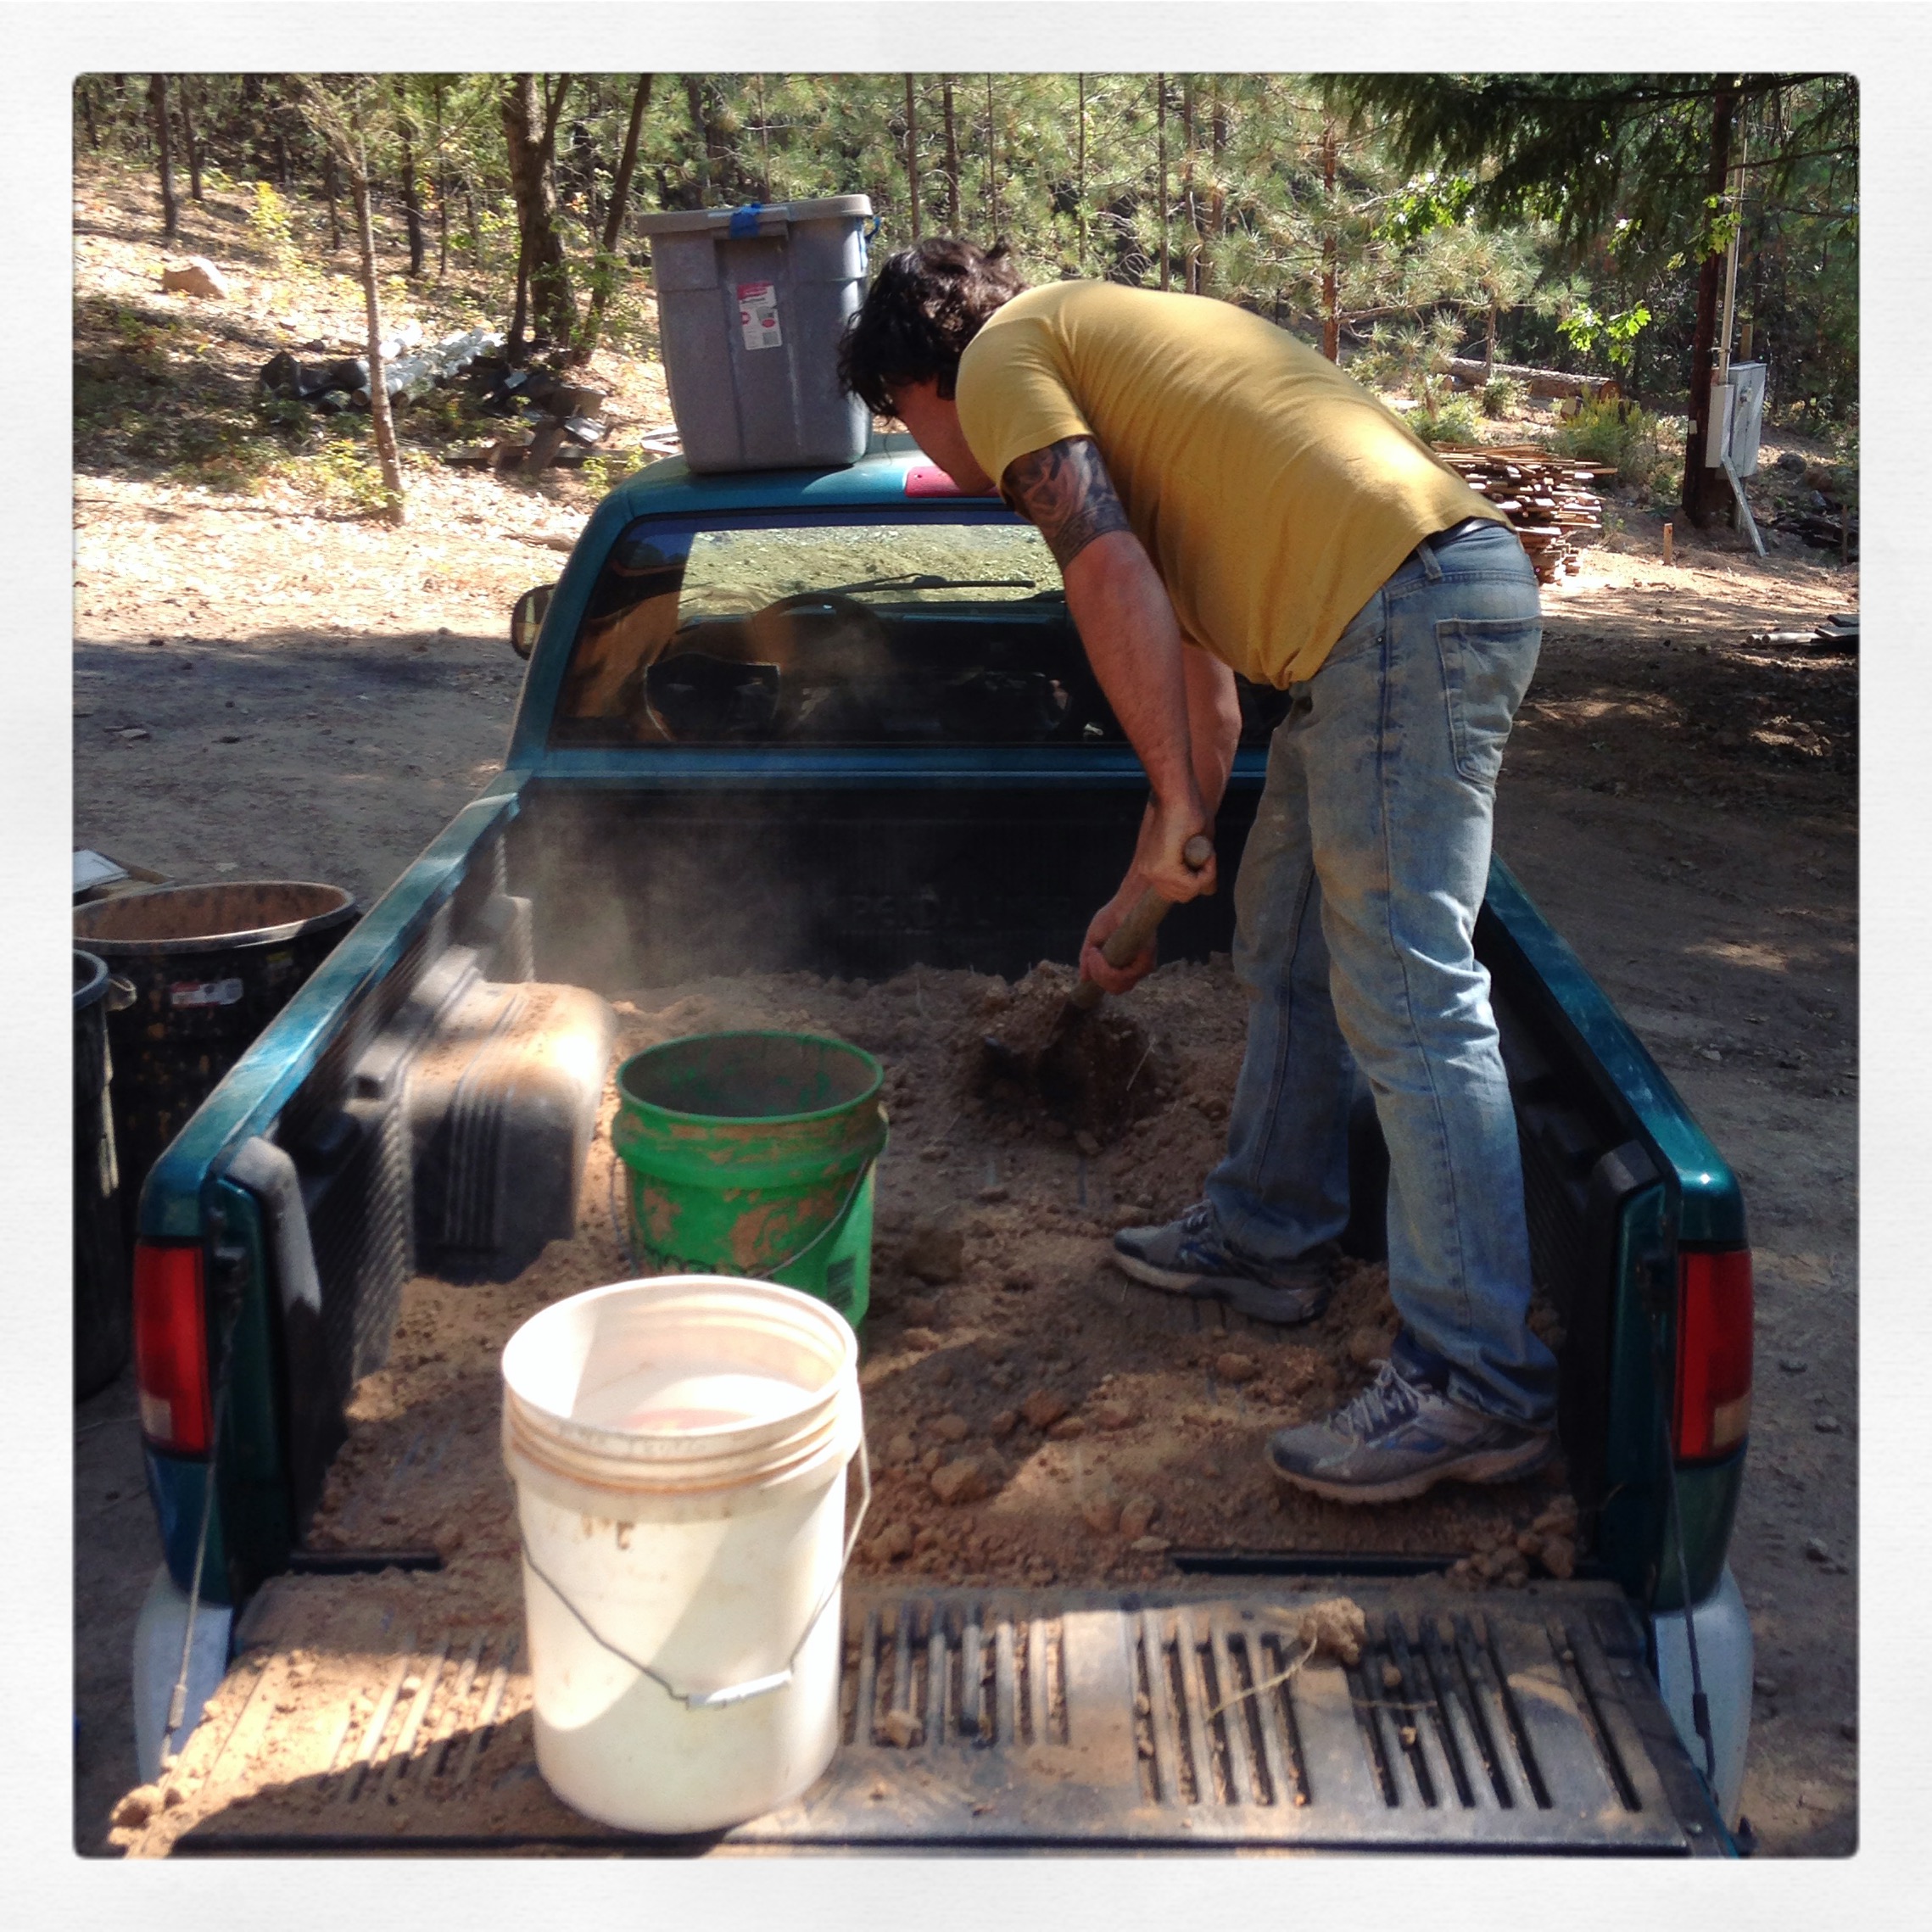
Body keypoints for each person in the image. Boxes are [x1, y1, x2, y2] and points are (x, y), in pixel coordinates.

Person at [838, 237, 1557, 1505]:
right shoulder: (1118, 371)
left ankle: (1474, 1380)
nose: (942, 457)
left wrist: (1170, 795)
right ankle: (1267, 1233)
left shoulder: (1005, 358)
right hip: (1386, 618)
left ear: (918, 378)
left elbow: (1101, 570)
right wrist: (1144, 876)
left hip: (1402, 611)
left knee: (1409, 990)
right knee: (1283, 939)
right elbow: (1203, 692)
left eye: (903, 419)